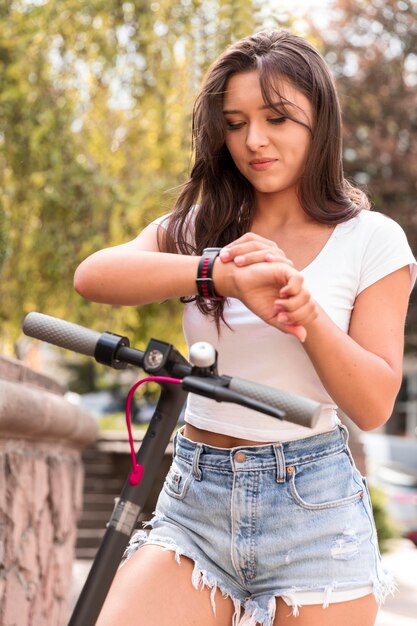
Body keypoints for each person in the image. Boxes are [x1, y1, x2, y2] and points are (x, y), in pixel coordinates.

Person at [74, 29, 416, 626]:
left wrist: (306, 315)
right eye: (234, 122)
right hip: (193, 502)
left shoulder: (372, 240)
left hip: (314, 509)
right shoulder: (204, 225)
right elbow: (94, 276)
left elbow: (373, 403)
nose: (253, 140)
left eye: (277, 118)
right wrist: (217, 275)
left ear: (321, 123)